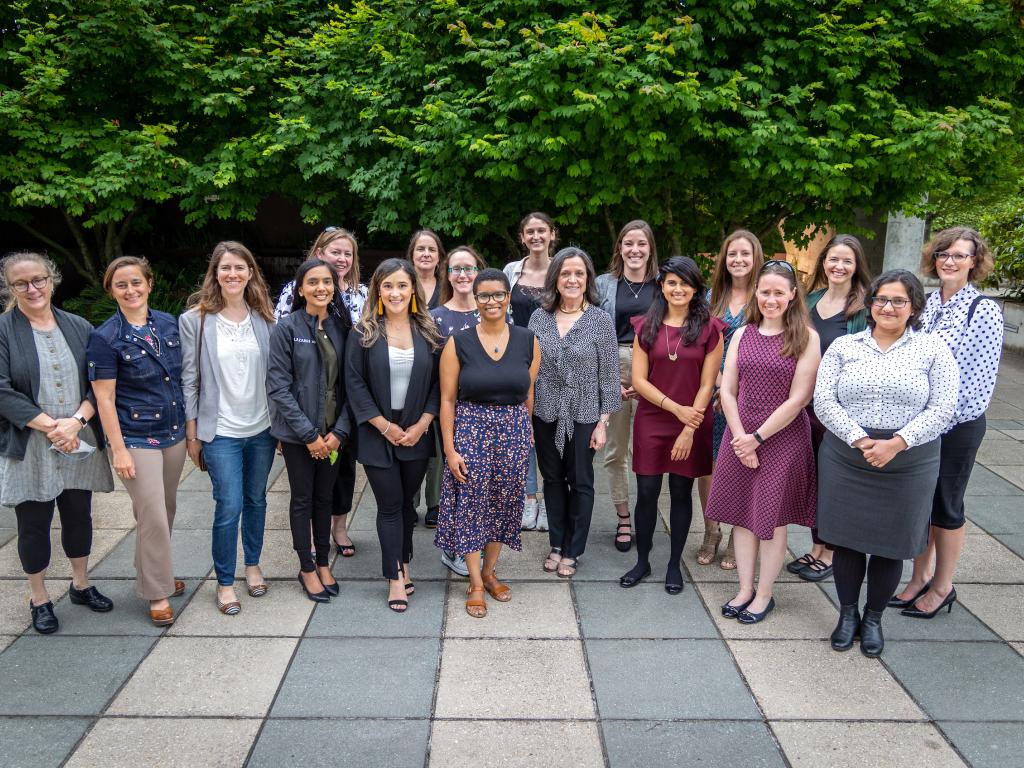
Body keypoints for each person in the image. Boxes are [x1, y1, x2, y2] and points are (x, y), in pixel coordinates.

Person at [815, 270, 958, 655]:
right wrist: (862, 440)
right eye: (881, 299)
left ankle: (874, 618)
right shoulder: (845, 346)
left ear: (913, 307)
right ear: (870, 303)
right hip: (848, 457)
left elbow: (944, 407)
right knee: (845, 540)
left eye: (898, 301)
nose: (888, 307)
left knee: (890, 545)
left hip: (909, 462)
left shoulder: (933, 350)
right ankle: (848, 615)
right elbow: (824, 401)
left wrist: (897, 443)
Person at [890, 228, 1004, 619]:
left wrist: (933, 421)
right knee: (923, 504)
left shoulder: (982, 310)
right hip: (919, 424)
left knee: (947, 506)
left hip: (956, 425)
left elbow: (978, 386)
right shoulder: (927, 306)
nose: (949, 260)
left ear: (974, 261)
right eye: (943, 253)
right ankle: (918, 578)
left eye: (959, 255)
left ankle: (943, 586)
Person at [0, 253, 114, 634]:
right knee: (33, 523)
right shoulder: (3, 330)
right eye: (21, 283)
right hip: (31, 443)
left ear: (52, 280)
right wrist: (53, 427)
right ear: (10, 288)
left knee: (79, 514)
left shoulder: (78, 325)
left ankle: (80, 584)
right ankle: (40, 598)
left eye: (39, 280)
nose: (32, 289)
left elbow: (98, 383)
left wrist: (77, 421)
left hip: (77, 438)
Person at [706, 260, 820, 624]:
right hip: (740, 433)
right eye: (765, 292)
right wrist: (740, 437)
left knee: (771, 519)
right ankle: (744, 588)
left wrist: (757, 438)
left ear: (791, 295)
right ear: (757, 293)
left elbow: (799, 398)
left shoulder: (806, 337)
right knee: (742, 514)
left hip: (781, 438)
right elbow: (728, 389)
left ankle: (765, 594)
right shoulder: (743, 334)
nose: (771, 299)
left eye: (778, 293)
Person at [435, 268, 541, 617]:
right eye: (484, 295)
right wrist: (450, 449)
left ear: (508, 298)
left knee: (504, 504)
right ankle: (476, 582)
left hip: (512, 432)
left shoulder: (528, 340)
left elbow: (529, 394)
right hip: (470, 430)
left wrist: (526, 435)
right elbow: (447, 400)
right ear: (475, 300)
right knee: (471, 505)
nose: (491, 301)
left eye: (498, 294)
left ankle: (491, 571)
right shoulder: (459, 342)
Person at [88, 256, 187, 626]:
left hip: (173, 433)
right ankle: (158, 592)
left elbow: (179, 379)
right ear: (111, 290)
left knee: (165, 510)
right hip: (135, 437)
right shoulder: (105, 337)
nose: (130, 290)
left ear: (149, 284)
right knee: (154, 516)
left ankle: (151, 574)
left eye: (135, 282)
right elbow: (105, 399)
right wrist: (118, 450)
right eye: (121, 285)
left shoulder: (168, 324)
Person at [180, 241, 277, 615]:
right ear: (215, 274)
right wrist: (192, 434)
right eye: (225, 268)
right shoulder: (195, 320)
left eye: (240, 267)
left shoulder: (265, 319)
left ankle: (252, 566)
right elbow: (189, 378)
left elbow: (277, 377)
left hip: (262, 429)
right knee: (229, 504)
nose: (233, 274)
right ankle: (224, 581)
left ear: (250, 272)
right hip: (219, 430)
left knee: (256, 500)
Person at [619, 257, 724, 593]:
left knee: (681, 493)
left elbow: (708, 385)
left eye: (686, 283)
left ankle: (673, 564)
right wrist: (675, 409)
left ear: (696, 288)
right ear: (661, 286)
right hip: (653, 418)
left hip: (694, 419)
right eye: (672, 283)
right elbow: (639, 379)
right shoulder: (645, 326)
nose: (678, 289)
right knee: (647, 493)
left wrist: (689, 425)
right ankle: (643, 561)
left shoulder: (711, 329)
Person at [346, 258, 442, 611]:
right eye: (388, 286)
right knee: (388, 505)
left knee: (406, 505)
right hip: (377, 432)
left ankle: (404, 559)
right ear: (378, 291)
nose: (395, 292)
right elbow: (354, 384)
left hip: (417, 431)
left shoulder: (429, 332)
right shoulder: (364, 333)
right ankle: (394, 577)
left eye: (402, 285)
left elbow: (438, 385)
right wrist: (383, 426)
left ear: (413, 289)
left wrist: (421, 425)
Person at [529, 247, 620, 578]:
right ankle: (556, 542)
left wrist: (603, 422)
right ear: (555, 277)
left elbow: (609, 376)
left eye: (578, 273)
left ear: (587, 279)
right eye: (565, 273)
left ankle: (573, 548)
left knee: (580, 480)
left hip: (585, 413)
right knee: (552, 479)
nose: (572, 279)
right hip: (545, 411)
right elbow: (530, 368)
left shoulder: (600, 320)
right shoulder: (539, 317)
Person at [785, 234, 871, 583]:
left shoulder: (863, 308)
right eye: (833, 259)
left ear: (856, 266)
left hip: (838, 410)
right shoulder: (811, 300)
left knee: (834, 481)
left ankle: (832, 551)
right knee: (814, 479)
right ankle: (818, 546)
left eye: (847, 261)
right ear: (823, 263)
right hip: (806, 406)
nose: (839, 266)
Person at [275, 227, 363, 558]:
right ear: (319, 253)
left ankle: (338, 529)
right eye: (335, 252)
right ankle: (311, 540)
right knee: (306, 485)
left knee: (343, 472)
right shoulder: (293, 300)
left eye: (347, 253)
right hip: (304, 410)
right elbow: (281, 365)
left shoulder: (360, 296)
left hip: (345, 407)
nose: (341, 259)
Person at [267, 259, 350, 603]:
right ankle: (305, 567)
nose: (321, 287)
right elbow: (278, 387)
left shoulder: (343, 328)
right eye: (313, 282)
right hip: (300, 436)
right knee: (302, 499)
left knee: (324, 498)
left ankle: (322, 560)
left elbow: (352, 386)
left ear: (334, 287)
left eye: (327, 282)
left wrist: (340, 432)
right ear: (300, 289)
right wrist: (310, 436)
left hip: (334, 435)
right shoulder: (286, 328)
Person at [696, 231, 765, 570]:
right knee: (707, 466)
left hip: (751, 395)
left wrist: (733, 389)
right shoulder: (711, 299)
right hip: (712, 392)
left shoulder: (765, 298)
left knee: (743, 465)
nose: (738, 260)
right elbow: (700, 346)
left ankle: (739, 534)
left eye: (745, 254)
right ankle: (711, 530)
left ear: (756, 259)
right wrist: (719, 387)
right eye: (732, 254)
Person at [595, 220, 659, 553]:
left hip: (654, 370)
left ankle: (647, 511)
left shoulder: (665, 285)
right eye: (628, 243)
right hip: (613, 368)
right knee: (615, 450)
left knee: (650, 450)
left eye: (642, 244)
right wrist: (607, 380)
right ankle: (623, 516)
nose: (635, 250)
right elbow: (590, 330)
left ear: (651, 248)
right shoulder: (603, 284)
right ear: (619, 247)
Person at [428, 246, 488, 575]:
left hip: (486, 412)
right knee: (454, 479)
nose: (463, 275)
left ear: (479, 271)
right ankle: (453, 547)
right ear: (447, 275)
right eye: (456, 269)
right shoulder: (435, 318)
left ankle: (472, 542)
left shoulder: (494, 311)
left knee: (479, 482)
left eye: (469, 268)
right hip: (450, 409)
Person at [504, 212, 558, 531]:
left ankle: (552, 501)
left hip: (555, 362)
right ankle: (528, 500)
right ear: (523, 237)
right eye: (530, 232)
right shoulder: (512, 271)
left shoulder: (561, 269)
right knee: (523, 432)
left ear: (552, 234)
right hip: (518, 361)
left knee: (550, 434)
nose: (536, 236)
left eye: (542, 230)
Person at [407, 229, 445, 311]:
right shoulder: (401, 285)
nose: (426, 254)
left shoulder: (447, 287)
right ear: (412, 254)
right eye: (421, 249)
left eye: (432, 250)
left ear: (439, 257)